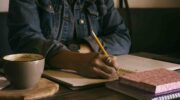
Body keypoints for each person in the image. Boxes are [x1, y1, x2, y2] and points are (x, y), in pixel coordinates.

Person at [8, 0, 131, 79]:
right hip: (39, 84)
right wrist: (75, 61)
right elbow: (24, 40)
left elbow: (122, 37)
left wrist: (84, 48)